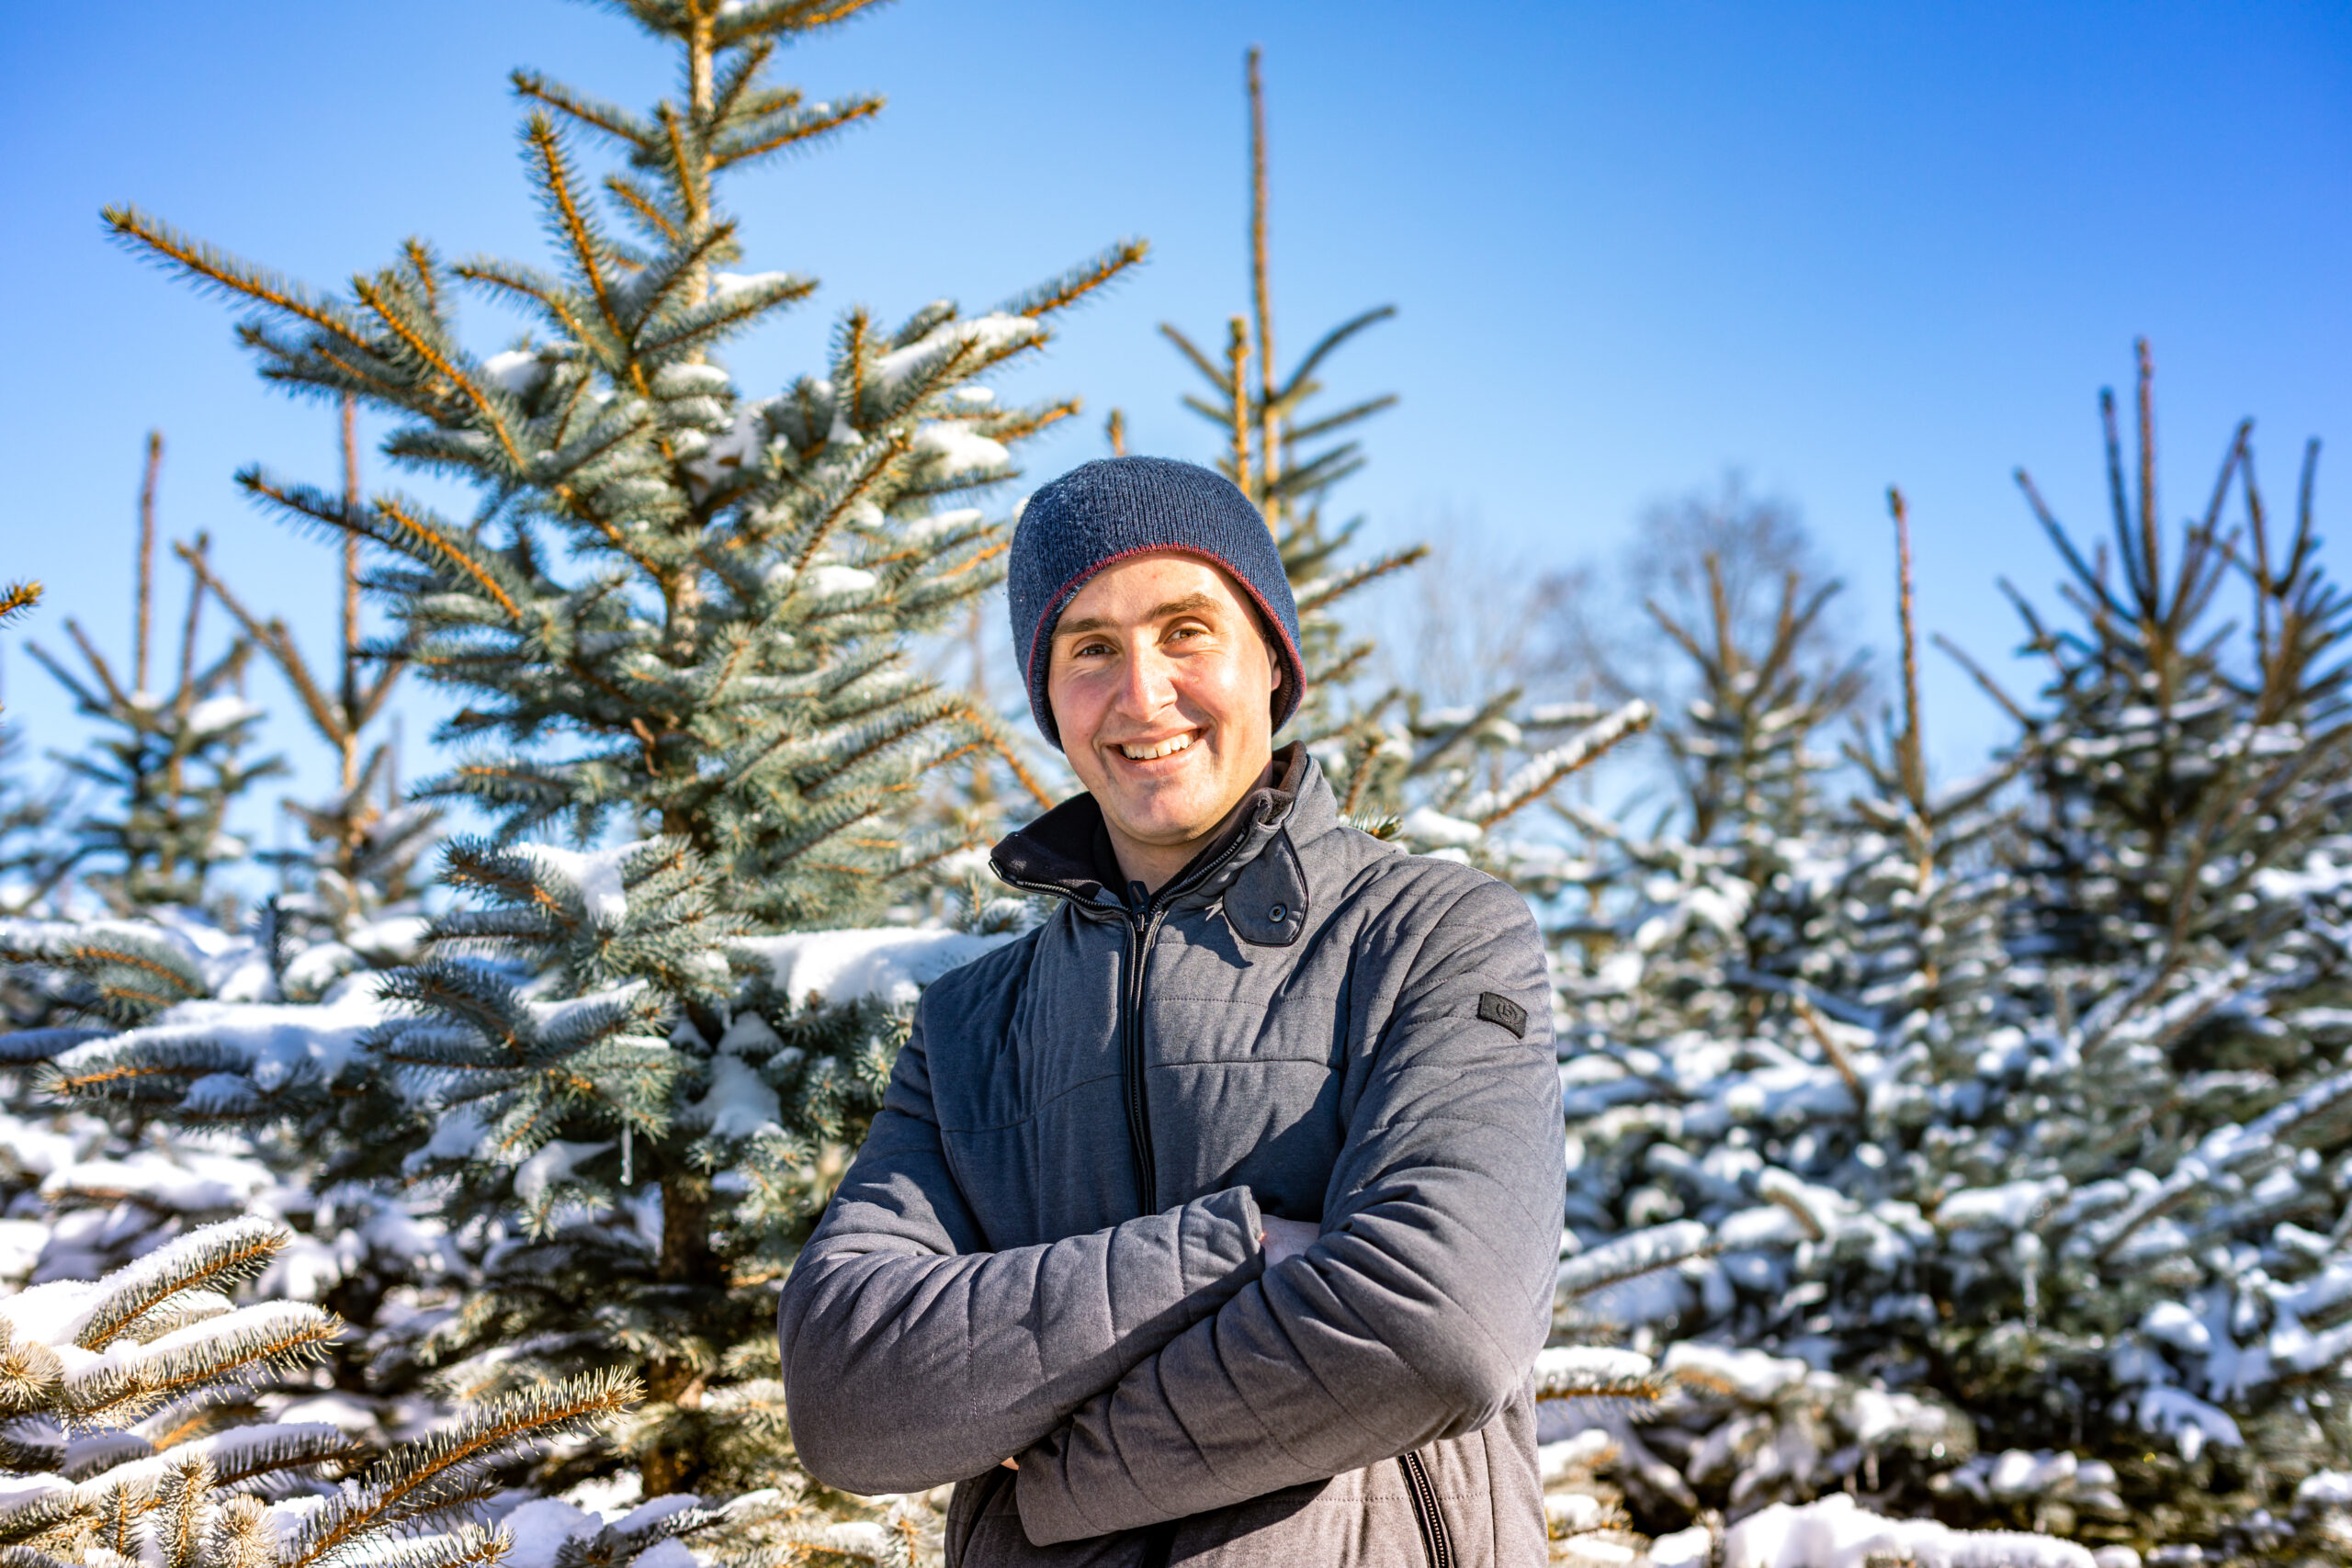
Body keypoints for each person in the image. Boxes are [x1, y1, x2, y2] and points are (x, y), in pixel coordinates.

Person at [777, 457, 1565, 1566]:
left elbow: (1440, 1327)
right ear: (1050, 697)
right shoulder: (969, 1030)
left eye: (1186, 630)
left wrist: (1058, 1473)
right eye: (1090, 648)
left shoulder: (1431, 935)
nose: (1143, 694)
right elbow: (848, 1392)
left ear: (1272, 662)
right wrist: (1232, 1247)